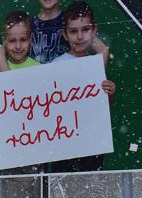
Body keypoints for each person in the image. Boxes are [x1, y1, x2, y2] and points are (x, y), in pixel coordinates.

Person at [48, 1, 116, 173]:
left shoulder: (95, 65)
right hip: (63, 143)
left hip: (92, 140)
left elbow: (102, 107)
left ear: (94, 31)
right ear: (64, 34)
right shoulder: (57, 64)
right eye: (73, 31)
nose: (79, 37)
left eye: (85, 30)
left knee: (91, 184)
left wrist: (110, 92)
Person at [0, 0, 108, 72]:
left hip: (66, 92)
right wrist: (9, 83)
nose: (79, 35)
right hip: (34, 94)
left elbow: (103, 50)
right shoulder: (27, 25)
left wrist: (95, 81)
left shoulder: (71, 21)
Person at [0, 11, 38, 119]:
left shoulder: (39, 69)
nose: (18, 46)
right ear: (4, 41)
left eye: (23, 40)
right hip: (12, 134)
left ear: (31, 39)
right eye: (12, 41)